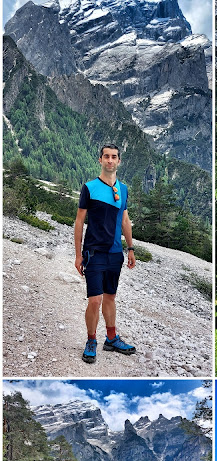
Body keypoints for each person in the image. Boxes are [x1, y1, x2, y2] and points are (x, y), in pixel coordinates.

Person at [74, 144, 136, 363]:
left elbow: (125, 220)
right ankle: (91, 339)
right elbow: (79, 222)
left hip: (115, 253)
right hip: (94, 252)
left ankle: (111, 338)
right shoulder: (89, 188)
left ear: (119, 161)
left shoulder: (123, 189)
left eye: (114, 157)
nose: (110, 160)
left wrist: (130, 248)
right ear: (100, 159)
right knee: (95, 300)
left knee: (110, 297)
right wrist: (78, 255)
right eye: (106, 157)